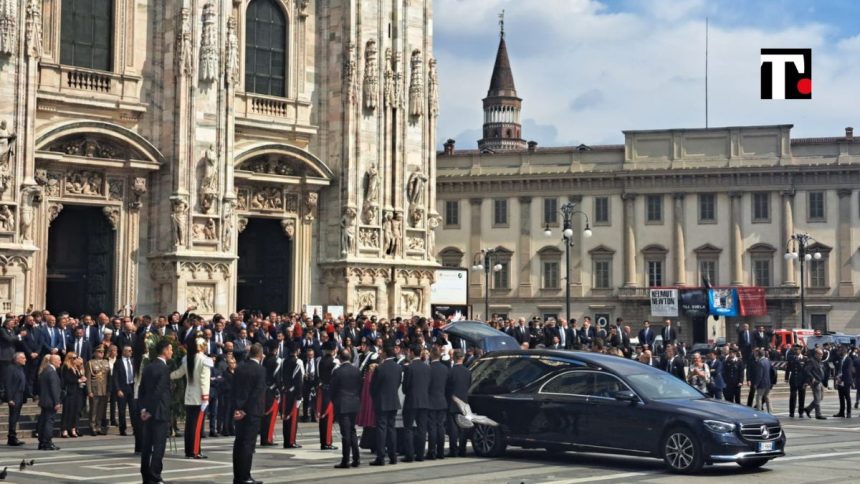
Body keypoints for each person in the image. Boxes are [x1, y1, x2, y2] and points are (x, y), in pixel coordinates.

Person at [170, 332, 212, 459]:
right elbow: (204, 380)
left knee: (190, 426)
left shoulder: (187, 358)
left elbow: (178, 373)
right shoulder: (204, 360)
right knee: (197, 426)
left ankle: (189, 450)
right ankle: (195, 451)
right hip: (200, 397)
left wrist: (167, 374)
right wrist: (205, 397)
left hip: (189, 396)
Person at [139, 339, 173, 484]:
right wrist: (150, 410)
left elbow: (142, 389)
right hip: (158, 412)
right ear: (164, 350)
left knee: (146, 445)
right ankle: (155, 475)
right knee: (159, 445)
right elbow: (158, 391)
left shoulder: (148, 366)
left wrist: (143, 409)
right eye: (170, 349)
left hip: (147, 411)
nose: (172, 352)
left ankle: (146, 474)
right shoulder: (164, 368)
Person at [232, 343, 266, 484]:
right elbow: (256, 393)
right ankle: (245, 476)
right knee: (248, 445)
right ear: (259, 355)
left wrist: (237, 408)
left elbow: (234, 389)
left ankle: (237, 476)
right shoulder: (260, 370)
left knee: (239, 443)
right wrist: (245, 410)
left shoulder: (240, 367)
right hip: (251, 412)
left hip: (239, 411)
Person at [369, 345, 402, 466]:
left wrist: (374, 396)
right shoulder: (398, 367)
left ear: (385, 354)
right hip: (393, 400)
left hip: (382, 401)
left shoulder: (380, 368)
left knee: (381, 429)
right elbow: (398, 383)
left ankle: (381, 457)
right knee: (391, 429)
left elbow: (373, 386)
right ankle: (393, 456)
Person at [331, 349, 362, 468]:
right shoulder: (356, 370)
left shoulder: (337, 371)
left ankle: (345, 460)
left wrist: (335, 401)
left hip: (342, 404)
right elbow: (360, 387)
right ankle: (356, 458)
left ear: (340, 358)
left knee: (345, 433)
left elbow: (333, 389)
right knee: (352, 431)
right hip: (354, 403)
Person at [402, 344, 430, 462]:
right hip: (424, 400)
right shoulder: (427, 367)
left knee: (408, 428)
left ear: (412, 353)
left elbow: (405, 387)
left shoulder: (410, 368)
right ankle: (420, 454)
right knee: (422, 429)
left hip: (411, 401)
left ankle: (409, 455)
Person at [446, 349, 471, 457]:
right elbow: (469, 385)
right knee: (463, 428)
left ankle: (453, 450)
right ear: (463, 358)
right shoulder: (468, 372)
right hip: (464, 402)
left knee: (453, 429)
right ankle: (462, 449)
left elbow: (446, 388)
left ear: (454, 358)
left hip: (452, 402)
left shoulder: (450, 372)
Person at [427, 346, 450, 460]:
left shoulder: (429, 368)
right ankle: (440, 451)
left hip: (431, 401)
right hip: (442, 400)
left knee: (432, 427)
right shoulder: (445, 369)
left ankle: (432, 451)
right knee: (440, 426)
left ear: (431, 355)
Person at [280, 346, 303, 448]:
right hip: (294, 393)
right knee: (293, 418)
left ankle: (286, 441)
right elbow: (299, 380)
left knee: (286, 418)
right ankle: (291, 441)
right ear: (297, 351)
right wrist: (299, 396)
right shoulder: (298, 362)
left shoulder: (283, 361)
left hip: (285, 392)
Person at [37, 354, 62, 450]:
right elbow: (54, 388)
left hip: (44, 400)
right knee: (49, 422)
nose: (60, 362)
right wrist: (57, 402)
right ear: (54, 361)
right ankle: (47, 442)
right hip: (50, 401)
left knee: (43, 420)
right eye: (59, 360)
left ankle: (42, 442)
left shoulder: (45, 370)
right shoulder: (52, 372)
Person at [317, 342, 338, 450]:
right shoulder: (334, 362)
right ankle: (327, 442)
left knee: (323, 418)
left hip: (322, 390)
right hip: (330, 391)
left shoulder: (320, 361)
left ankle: (323, 441)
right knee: (329, 418)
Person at [114, 345, 138, 436]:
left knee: (133, 410)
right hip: (122, 388)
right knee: (122, 410)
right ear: (123, 352)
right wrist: (118, 389)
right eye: (128, 351)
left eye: (131, 351)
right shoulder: (118, 362)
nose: (130, 352)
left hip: (132, 387)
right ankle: (122, 429)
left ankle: (135, 429)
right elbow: (115, 377)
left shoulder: (133, 361)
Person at [86, 345, 110, 435]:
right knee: (93, 409)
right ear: (95, 353)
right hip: (95, 388)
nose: (101, 353)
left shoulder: (105, 362)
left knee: (101, 410)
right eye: (99, 352)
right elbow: (88, 378)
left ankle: (98, 426)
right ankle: (92, 426)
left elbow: (108, 376)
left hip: (104, 389)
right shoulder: (90, 363)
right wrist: (89, 391)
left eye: (103, 352)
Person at [260, 341, 280, 446]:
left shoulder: (265, 359)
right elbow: (277, 377)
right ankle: (268, 439)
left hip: (264, 389)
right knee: (270, 416)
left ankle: (264, 437)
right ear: (276, 349)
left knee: (265, 416)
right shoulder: (277, 360)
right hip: (272, 390)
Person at [60, 353, 84, 438]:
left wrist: (81, 368)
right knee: (67, 411)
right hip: (69, 392)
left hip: (77, 392)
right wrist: (78, 380)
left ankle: (73, 428)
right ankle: (64, 429)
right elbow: (68, 379)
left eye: (76, 358)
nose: (75, 359)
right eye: (74, 358)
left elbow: (80, 376)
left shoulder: (76, 367)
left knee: (75, 411)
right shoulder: (66, 367)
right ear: (69, 358)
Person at [4, 352, 27, 446]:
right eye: (23, 358)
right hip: (14, 396)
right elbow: (8, 384)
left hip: (20, 395)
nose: (25, 359)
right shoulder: (11, 368)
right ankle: (11, 437)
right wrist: (10, 398)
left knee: (16, 417)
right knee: (13, 417)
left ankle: (13, 436)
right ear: (17, 359)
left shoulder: (20, 368)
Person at [803, 348, 827, 420]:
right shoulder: (811, 361)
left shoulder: (819, 361)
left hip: (820, 381)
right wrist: (812, 378)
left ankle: (808, 409)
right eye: (820, 354)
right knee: (817, 398)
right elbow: (806, 370)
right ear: (816, 354)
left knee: (820, 398)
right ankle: (818, 414)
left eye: (822, 355)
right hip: (815, 382)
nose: (821, 356)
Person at [785, 345, 807, 418]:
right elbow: (788, 368)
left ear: (800, 350)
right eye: (794, 349)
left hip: (802, 380)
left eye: (797, 349)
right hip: (793, 379)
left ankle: (801, 412)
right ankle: (791, 412)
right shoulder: (791, 358)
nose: (795, 351)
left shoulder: (804, 359)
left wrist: (806, 381)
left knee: (802, 397)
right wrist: (786, 377)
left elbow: (806, 371)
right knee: (792, 396)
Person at [834, 345, 855, 418]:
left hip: (846, 381)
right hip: (840, 381)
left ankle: (848, 412)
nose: (839, 351)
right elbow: (839, 370)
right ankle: (841, 412)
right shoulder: (840, 359)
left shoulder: (849, 359)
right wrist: (837, 378)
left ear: (844, 351)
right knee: (841, 398)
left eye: (840, 350)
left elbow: (847, 371)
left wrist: (841, 379)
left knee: (847, 397)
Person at [752, 349, 773, 413]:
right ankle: (770, 411)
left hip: (762, 383)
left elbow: (759, 375)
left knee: (758, 397)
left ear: (758, 355)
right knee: (767, 397)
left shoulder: (760, 362)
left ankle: (759, 411)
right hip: (768, 382)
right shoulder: (767, 361)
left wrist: (756, 384)